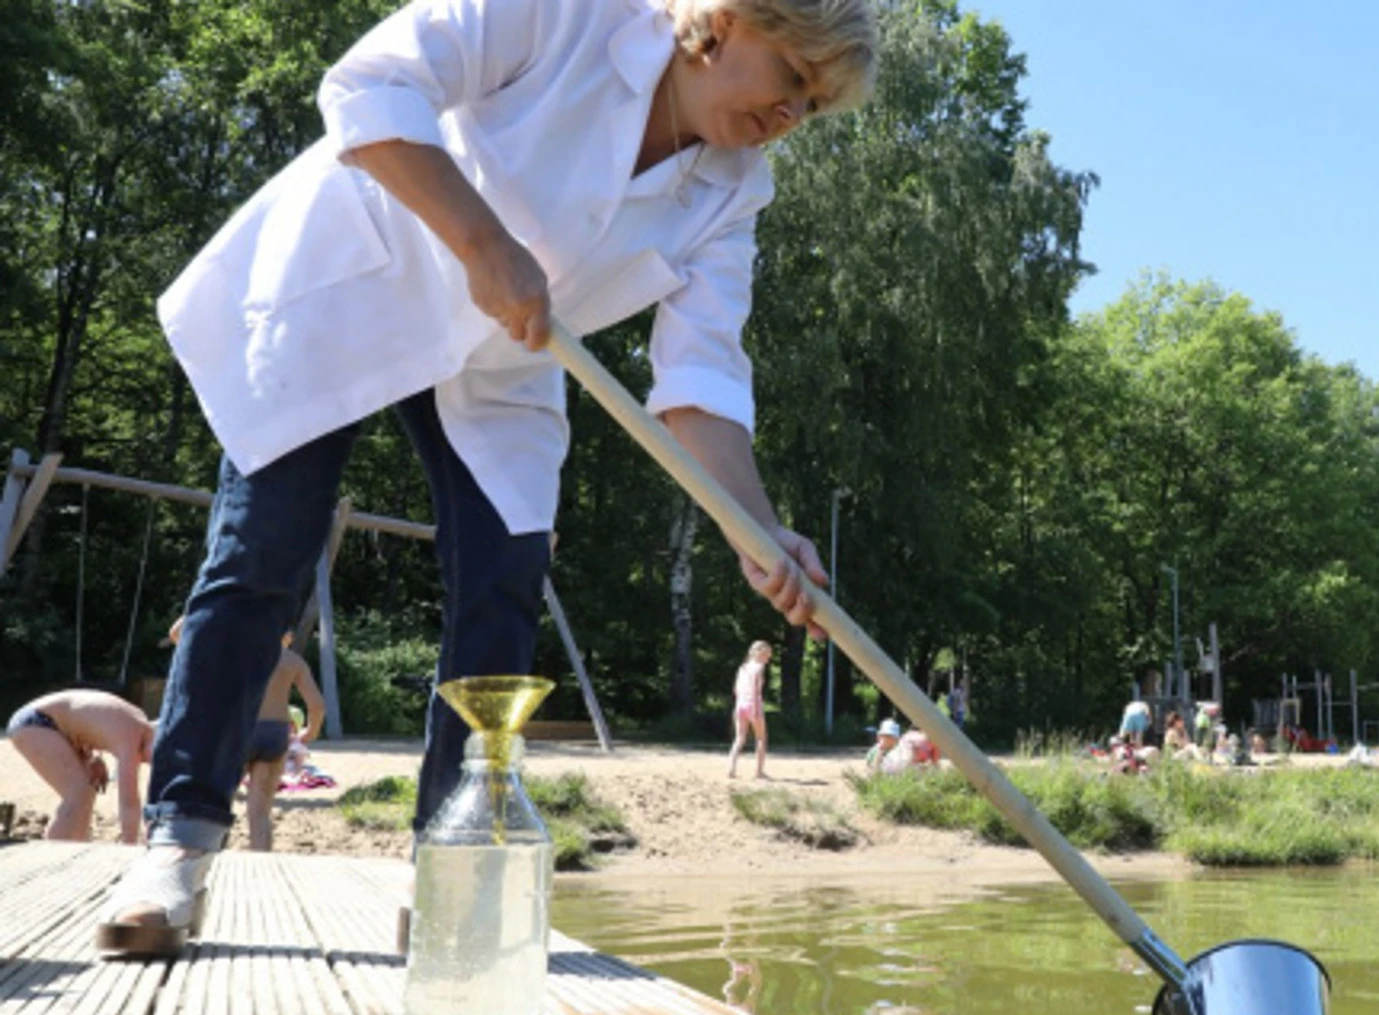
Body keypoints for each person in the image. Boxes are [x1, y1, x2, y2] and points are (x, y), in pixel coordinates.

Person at [105, 0, 879, 954]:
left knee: (505, 589)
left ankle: (449, 877)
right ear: (721, 22)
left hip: (505, 363)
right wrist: (480, 243)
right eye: (793, 76)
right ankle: (178, 848)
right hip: (359, 280)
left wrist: (756, 531)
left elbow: (702, 376)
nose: (791, 113)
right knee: (265, 550)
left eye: (815, 106)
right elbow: (371, 83)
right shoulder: (566, 15)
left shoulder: (734, 189)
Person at [168, 616, 326, 852]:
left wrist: (209, 605)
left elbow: (177, 635)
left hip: (238, 729)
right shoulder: (293, 661)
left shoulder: (233, 651)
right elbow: (317, 705)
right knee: (260, 811)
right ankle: (260, 866)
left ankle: (215, 857)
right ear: (288, 637)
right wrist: (309, 732)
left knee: (221, 804)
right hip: (276, 733)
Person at [6, 691, 155, 845]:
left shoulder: (138, 723)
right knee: (77, 791)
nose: (146, 763)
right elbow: (129, 802)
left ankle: (75, 851)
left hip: (53, 724)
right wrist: (129, 847)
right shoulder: (132, 737)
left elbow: (93, 718)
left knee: (87, 790)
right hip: (37, 721)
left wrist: (94, 757)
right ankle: (51, 855)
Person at [728, 640, 774, 780]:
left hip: (740, 704)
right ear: (760, 654)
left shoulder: (743, 667)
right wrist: (754, 708)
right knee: (761, 738)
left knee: (739, 738)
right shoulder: (759, 668)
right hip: (753, 704)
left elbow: (736, 689)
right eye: (767, 655)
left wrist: (738, 705)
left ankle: (731, 768)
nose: (768, 658)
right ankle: (759, 772)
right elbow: (755, 689)